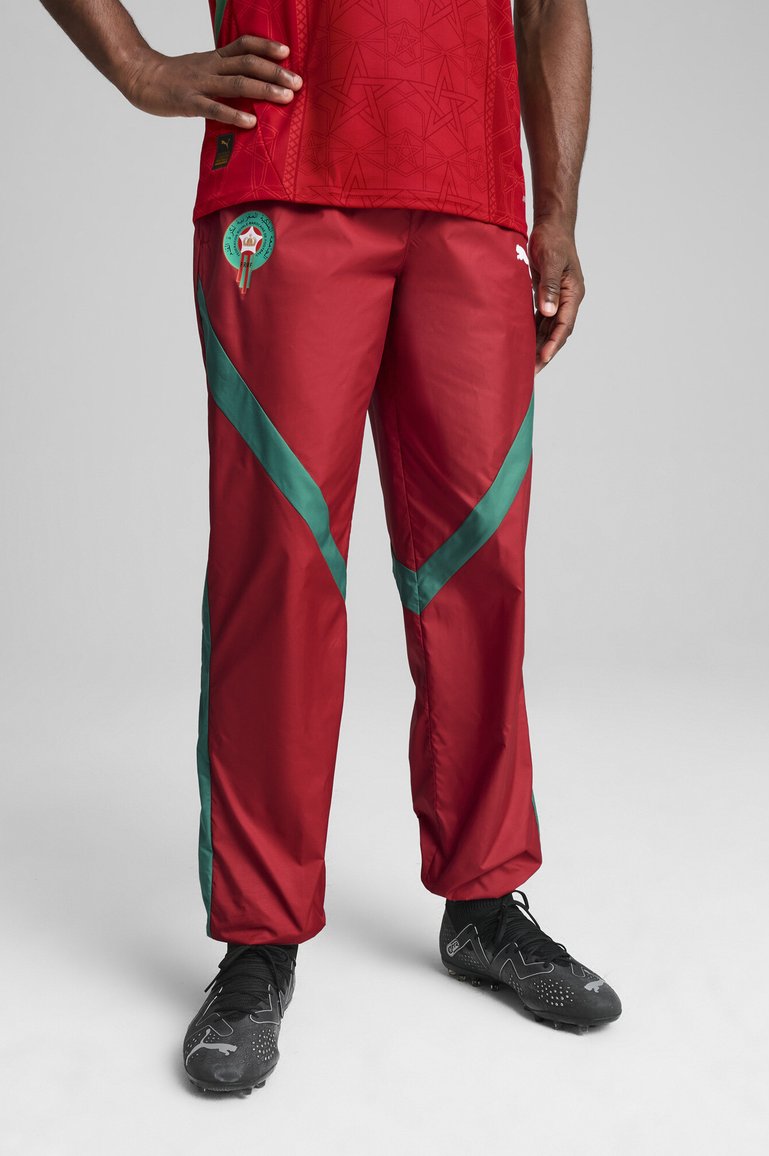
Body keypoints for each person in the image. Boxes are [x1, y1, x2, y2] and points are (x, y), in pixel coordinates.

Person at [41, 0, 621, 1095]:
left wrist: (557, 215)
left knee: (479, 567)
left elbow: (553, 8)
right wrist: (136, 66)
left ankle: (484, 902)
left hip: (471, 202)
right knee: (281, 569)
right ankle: (257, 942)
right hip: (288, 183)